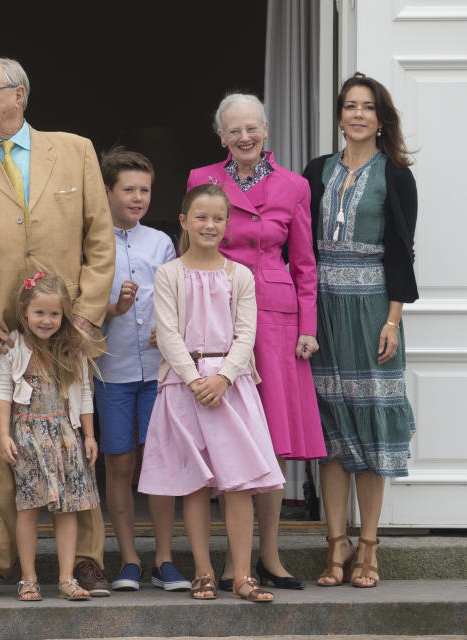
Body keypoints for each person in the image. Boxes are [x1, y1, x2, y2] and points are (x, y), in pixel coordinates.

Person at [0, 53, 115, 599]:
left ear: (19, 96)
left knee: (75, 443)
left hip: (65, 333)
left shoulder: (76, 150)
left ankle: (84, 560)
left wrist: (83, 316)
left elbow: (100, 242)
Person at [186, 93, 324, 591]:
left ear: (266, 130)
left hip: (276, 319)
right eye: (234, 130)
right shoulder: (202, 180)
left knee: (271, 439)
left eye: (253, 129)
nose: (244, 138)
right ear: (220, 135)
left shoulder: (295, 186)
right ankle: (232, 559)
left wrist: (308, 325)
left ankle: (269, 554)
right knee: (224, 432)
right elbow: (191, 249)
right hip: (216, 313)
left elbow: (305, 264)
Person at [138, 183, 285, 603]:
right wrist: (194, 378)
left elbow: (246, 333)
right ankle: (203, 570)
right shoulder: (169, 275)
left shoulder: (239, 275)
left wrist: (222, 378)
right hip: (185, 388)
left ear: (227, 224)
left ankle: (241, 574)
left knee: (238, 483)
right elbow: (166, 333)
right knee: (196, 483)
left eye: (218, 218)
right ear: (183, 221)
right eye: (200, 217)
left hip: (231, 387)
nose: (209, 224)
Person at [302, 72, 418, 588]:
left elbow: (401, 252)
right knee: (331, 432)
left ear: (380, 117)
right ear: (340, 115)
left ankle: (369, 546)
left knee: (370, 429)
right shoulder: (315, 171)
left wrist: (393, 319)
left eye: (367, 107)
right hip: (323, 311)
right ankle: (335, 544)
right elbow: (300, 249)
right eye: (350, 106)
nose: (357, 115)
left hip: (373, 312)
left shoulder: (396, 175)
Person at [94, 148, 188, 592]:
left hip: (157, 371)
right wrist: (116, 308)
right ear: (107, 190)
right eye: (128, 189)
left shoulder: (161, 243)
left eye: (144, 190)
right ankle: (129, 559)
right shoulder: (91, 243)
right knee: (119, 463)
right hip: (112, 371)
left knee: (160, 461)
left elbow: (175, 298)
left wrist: (164, 330)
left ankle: (165, 559)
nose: (137, 198)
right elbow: (80, 307)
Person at [0, 272, 100, 602]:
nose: (47, 320)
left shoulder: (71, 348)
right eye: (40, 312)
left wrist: (89, 435)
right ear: (25, 309)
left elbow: (83, 390)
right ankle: (28, 579)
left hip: (66, 435)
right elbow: (2, 391)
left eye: (54, 314)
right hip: (27, 434)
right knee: (28, 507)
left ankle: (67, 577)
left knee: (67, 508)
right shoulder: (14, 345)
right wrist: (3, 434)